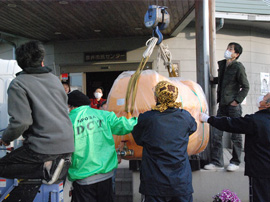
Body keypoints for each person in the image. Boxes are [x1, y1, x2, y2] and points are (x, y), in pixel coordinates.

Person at [0, 41, 74, 182]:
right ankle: (50, 167)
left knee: (3, 166)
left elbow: (21, 122)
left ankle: (45, 170)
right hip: (67, 144)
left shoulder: (19, 83)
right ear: (42, 60)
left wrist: (5, 138)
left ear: (20, 62)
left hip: (43, 148)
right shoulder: (54, 80)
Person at [132, 81, 197, 202]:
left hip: (154, 182)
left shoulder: (147, 118)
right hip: (180, 182)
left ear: (157, 97)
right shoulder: (185, 117)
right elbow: (193, 128)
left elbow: (138, 139)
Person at [67, 90, 137, 202]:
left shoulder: (68, 121)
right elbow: (125, 125)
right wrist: (143, 119)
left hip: (84, 179)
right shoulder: (103, 115)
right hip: (106, 178)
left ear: (70, 106)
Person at [200, 93, 270, 202]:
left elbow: (231, 123)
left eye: (265, 97)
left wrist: (209, 119)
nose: (261, 97)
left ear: (267, 104)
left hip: (260, 171)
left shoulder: (256, 120)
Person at [204, 42, 250, 172]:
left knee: (236, 134)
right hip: (222, 105)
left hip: (233, 106)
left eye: (231, 49)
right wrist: (214, 80)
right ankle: (217, 162)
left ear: (236, 54)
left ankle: (235, 161)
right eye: (227, 48)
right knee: (217, 133)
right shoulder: (224, 65)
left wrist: (237, 101)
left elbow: (245, 86)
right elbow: (224, 80)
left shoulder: (238, 67)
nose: (227, 50)